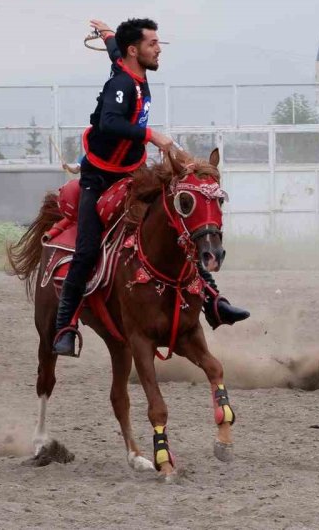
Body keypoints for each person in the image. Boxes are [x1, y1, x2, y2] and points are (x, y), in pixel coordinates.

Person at [53, 19, 247, 357]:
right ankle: (65, 326)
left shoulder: (131, 69)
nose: (159, 49)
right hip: (98, 181)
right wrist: (152, 135)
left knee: (177, 228)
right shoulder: (122, 84)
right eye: (153, 43)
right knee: (85, 250)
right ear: (135, 51)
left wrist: (108, 33)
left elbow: (115, 51)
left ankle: (214, 302)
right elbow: (109, 122)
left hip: (132, 172)